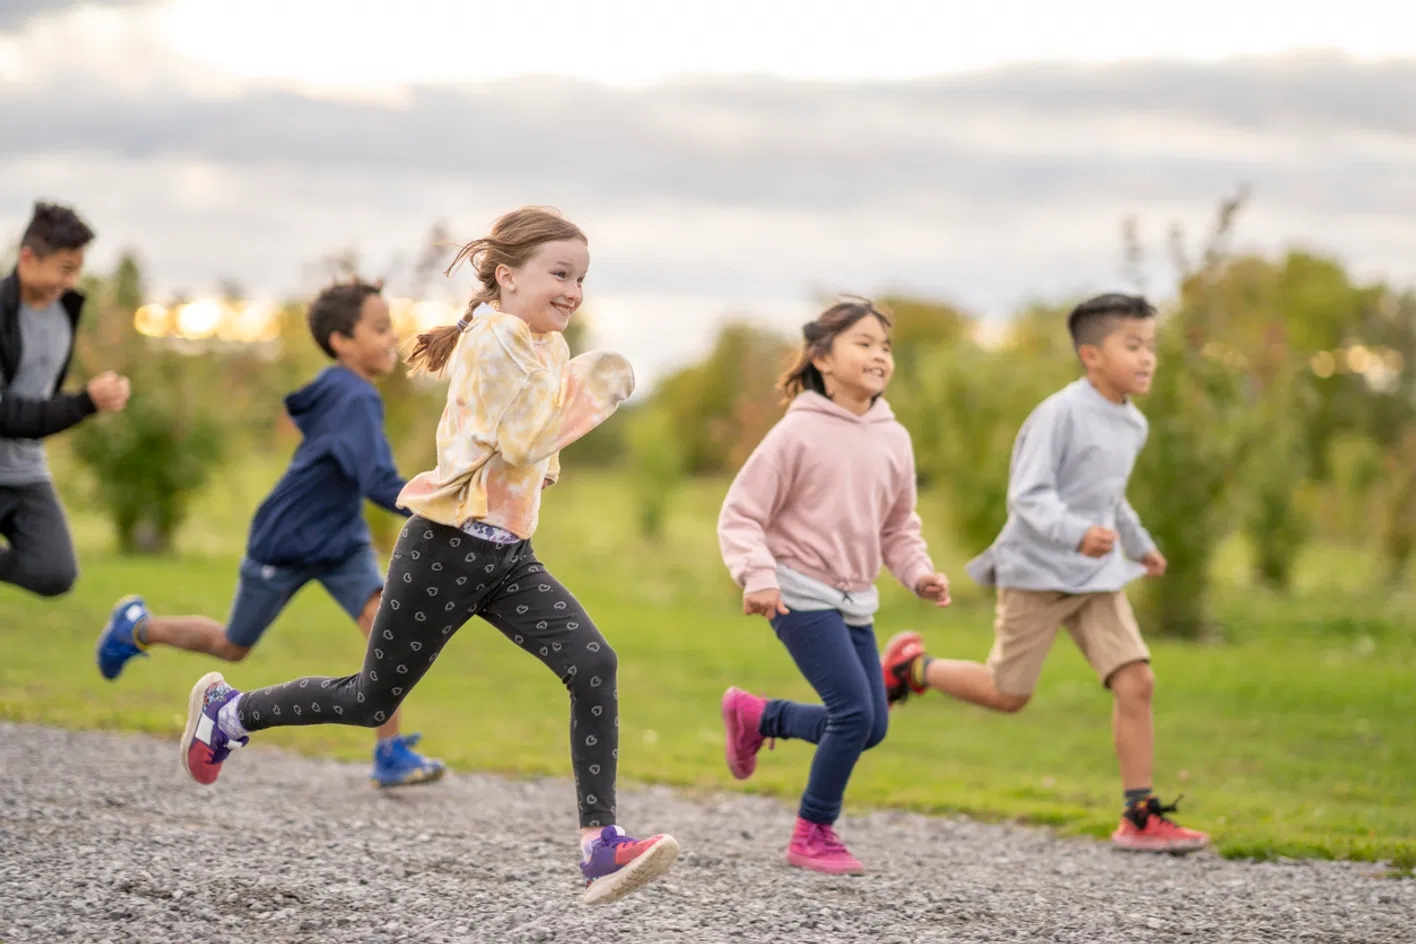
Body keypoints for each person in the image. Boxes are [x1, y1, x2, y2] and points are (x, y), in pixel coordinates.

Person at [175, 206, 679, 905]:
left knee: (593, 664)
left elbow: (539, 457)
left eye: (581, 278)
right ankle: (229, 716)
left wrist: (565, 409)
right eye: (560, 274)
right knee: (370, 698)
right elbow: (529, 438)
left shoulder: (547, 346)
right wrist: (592, 394)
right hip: (447, 548)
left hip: (507, 556)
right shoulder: (493, 340)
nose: (573, 290)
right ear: (507, 275)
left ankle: (600, 846)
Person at [881, 292, 1209, 854]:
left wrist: (1139, 543)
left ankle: (1139, 814)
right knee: (1008, 694)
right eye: (1132, 345)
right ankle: (914, 668)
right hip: (1037, 572)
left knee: (1137, 682)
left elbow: (1111, 497)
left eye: (1151, 346)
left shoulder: (1133, 424)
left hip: (1097, 579)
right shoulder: (1061, 413)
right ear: (1091, 355)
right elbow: (1027, 497)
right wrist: (1076, 532)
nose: (1147, 358)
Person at [96, 278, 446, 787]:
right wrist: (441, 505)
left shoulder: (349, 391)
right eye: (380, 328)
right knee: (232, 645)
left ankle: (388, 751)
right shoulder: (353, 396)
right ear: (342, 341)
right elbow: (377, 481)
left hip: (341, 542)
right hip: (287, 541)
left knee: (381, 626)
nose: (392, 337)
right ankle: (136, 626)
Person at [716, 297, 951, 875]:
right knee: (850, 714)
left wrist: (918, 572)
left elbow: (898, 526)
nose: (879, 355)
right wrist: (759, 576)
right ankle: (813, 831)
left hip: (853, 598)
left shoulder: (893, 437)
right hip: (795, 589)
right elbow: (741, 514)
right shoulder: (795, 434)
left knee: (871, 725)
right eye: (864, 344)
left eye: (885, 346)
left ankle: (758, 716)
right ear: (822, 357)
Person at [0, 201, 130, 598]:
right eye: (65, 269)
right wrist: (86, 402)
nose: (72, 282)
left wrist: (94, 398)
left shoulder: (65, 313)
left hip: (26, 472)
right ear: (28, 258)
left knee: (55, 572)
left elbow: (41, 394)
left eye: (77, 270)